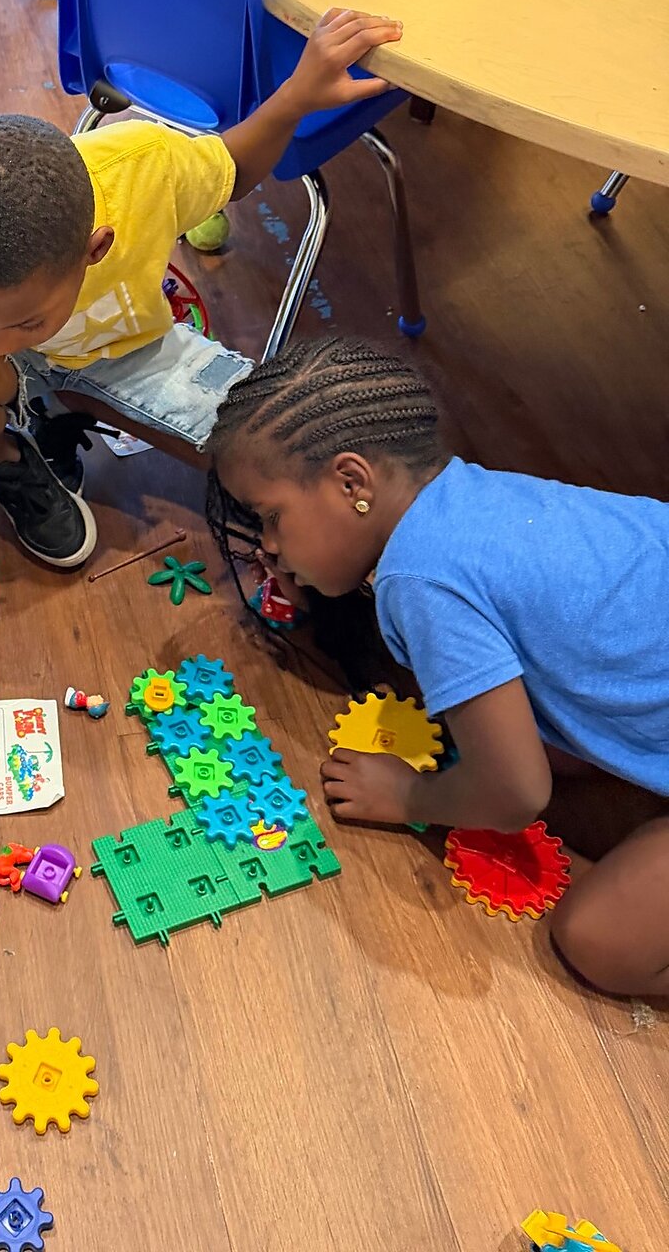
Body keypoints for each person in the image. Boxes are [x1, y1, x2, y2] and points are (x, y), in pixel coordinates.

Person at [0, 8, 403, 593]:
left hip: (131, 354)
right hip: (5, 385)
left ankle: (62, 409)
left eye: (26, 321)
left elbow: (233, 171)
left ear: (96, 249)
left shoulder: (143, 168)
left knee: (283, 455)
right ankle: (9, 459)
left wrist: (295, 98)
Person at [207, 336, 669, 997]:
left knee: (601, 940)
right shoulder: (473, 495)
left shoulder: (420, 579)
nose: (271, 547)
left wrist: (408, 798)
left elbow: (515, 796)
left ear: (351, 483)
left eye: (271, 517)